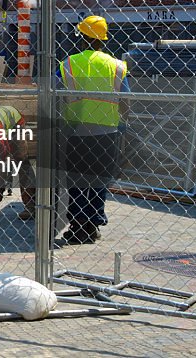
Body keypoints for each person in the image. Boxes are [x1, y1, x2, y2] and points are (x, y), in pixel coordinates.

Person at [57, 15, 129, 245]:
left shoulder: (69, 63)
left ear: (82, 37)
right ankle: (93, 223)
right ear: (103, 40)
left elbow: (57, 95)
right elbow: (126, 100)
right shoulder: (116, 66)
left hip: (76, 130)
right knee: (99, 179)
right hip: (107, 131)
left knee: (77, 180)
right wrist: (122, 124)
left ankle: (78, 225)